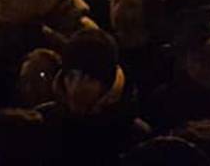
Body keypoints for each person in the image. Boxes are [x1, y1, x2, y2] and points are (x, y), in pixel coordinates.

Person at [38, 28, 150, 166]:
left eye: (89, 79)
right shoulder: (44, 122)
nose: (76, 88)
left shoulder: (133, 135)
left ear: (107, 85)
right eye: (71, 76)